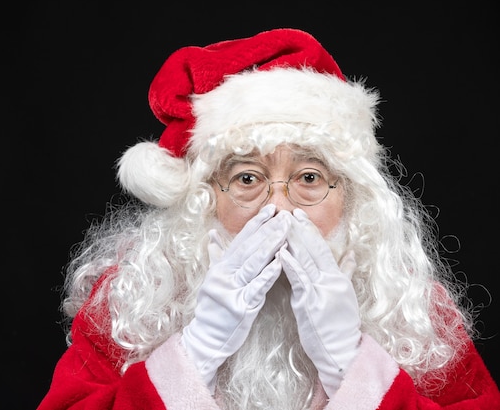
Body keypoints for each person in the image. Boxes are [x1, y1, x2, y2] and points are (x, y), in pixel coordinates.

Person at [37, 28, 500, 409]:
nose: (279, 207)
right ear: (204, 199)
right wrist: (194, 356)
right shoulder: (130, 300)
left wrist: (352, 366)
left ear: (353, 197)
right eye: (246, 179)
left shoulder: (412, 308)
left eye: (310, 177)